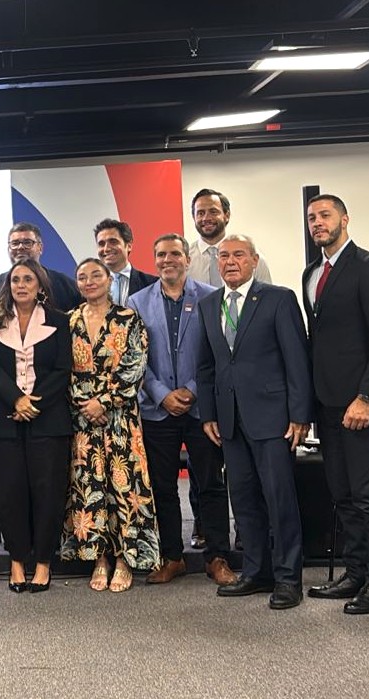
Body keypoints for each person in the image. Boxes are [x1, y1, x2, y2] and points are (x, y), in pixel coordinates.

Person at [196, 234, 311, 611]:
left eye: (238, 255)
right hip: (229, 422)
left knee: (280, 500)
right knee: (243, 500)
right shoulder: (210, 303)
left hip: (273, 419)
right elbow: (207, 366)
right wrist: (209, 413)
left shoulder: (278, 299)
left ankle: (288, 578)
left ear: (254, 260)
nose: (229, 261)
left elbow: (297, 360)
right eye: (224, 256)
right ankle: (257, 572)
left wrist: (300, 415)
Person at [301, 194, 369, 615]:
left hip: (361, 402)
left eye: (325, 215)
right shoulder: (312, 273)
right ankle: (356, 572)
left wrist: (366, 396)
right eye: (312, 218)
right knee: (341, 493)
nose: (318, 223)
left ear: (345, 219)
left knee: (367, 491)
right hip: (327, 403)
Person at [126, 235, 237, 587]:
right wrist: (161, 394)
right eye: (161, 254)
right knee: (162, 487)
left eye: (175, 253)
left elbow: (218, 352)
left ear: (187, 259)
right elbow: (134, 357)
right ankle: (172, 557)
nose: (167, 260)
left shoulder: (209, 296)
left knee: (211, 484)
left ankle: (217, 556)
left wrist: (189, 390)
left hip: (201, 408)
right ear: (154, 259)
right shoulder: (137, 302)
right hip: (157, 410)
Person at [61, 258, 159, 593]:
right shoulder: (69, 321)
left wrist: (102, 402)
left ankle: (124, 560)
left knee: (124, 486)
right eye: (82, 277)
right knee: (90, 486)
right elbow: (61, 369)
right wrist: (85, 404)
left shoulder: (128, 318)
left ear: (109, 280)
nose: (89, 282)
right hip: (83, 421)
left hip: (120, 418)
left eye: (96, 275)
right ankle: (99, 557)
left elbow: (135, 365)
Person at [0, 260, 72, 593]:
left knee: (47, 492)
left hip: (48, 420)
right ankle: (17, 560)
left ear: (40, 285)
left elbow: (63, 369)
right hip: (4, 419)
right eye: (15, 279)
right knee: (8, 492)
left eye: (27, 279)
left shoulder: (60, 322)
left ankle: (44, 561)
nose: (21, 285)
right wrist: (16, 399)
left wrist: (33, 403)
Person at [0, 223, 83, 312]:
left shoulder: (66, 286)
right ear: (8, 249)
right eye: (15, 243)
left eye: (27, 242)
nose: (20, 247)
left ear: (40, 248)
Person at [187, 188, 273, 286]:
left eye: (213, 212)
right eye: (200, 213)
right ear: (194, 218)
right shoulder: (185, 262)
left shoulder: (251, 257)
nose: (206, 218)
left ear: (226, 215)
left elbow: (268, 297)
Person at [93, 218, 158, 306]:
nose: (106, 249)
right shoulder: (89, 287)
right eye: (101, 244)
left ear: (129, 246)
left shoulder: (152, 285)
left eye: (113, 242)